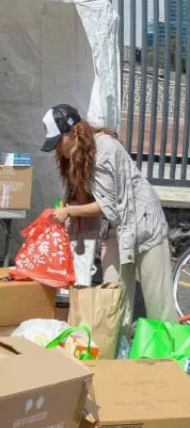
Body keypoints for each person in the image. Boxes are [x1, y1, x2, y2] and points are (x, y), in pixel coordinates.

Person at [44, 104, 176, 324]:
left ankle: (172, 356)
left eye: (58, 142)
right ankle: (118, 352)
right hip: (115, 229)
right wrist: (67, 208)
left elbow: (107, 205)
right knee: (114, 298)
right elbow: (87, 199)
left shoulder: (105, 149)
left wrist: (68, 211)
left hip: (144, 224)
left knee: (158, 303)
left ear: (73, 131)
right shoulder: (76, 156)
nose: (58, 149)